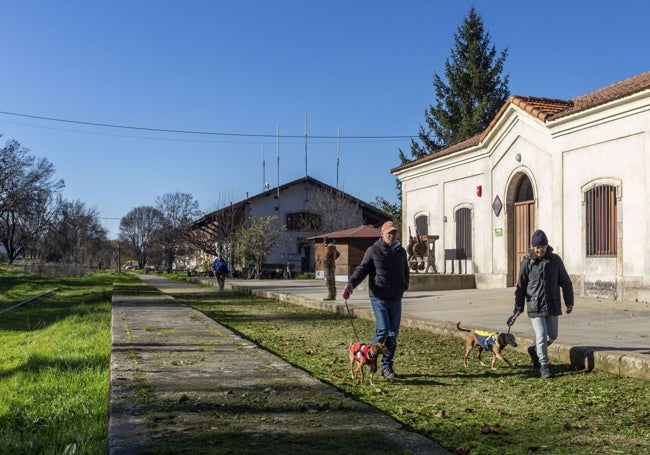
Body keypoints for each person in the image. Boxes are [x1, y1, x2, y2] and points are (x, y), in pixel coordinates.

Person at [342, 220, 409, 381]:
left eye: (394, 233)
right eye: (389, 233)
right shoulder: (373, 250)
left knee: (393, 335)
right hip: (378, 297)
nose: (392, 236)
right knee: (383, 329)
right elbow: (362, 268)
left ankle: (387, 367)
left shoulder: (401, 252)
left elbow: (405, 269)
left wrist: (405, 284)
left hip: (396, 298)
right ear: (382, 234)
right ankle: (369, 357)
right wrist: (351, 284)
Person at [509, 229, 574, 379]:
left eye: (543, 247)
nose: (540, 251)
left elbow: (565, 281)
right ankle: (544, 365)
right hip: (534, 304)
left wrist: (569, 301)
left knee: (552, 336)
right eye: (538, 248)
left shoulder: (555, 260)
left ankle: (534, 350)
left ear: (547, 246)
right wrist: (518, 308)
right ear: (533, 247)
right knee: (541, 334)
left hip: (552, 304)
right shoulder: (527, 262)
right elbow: (521, 287)